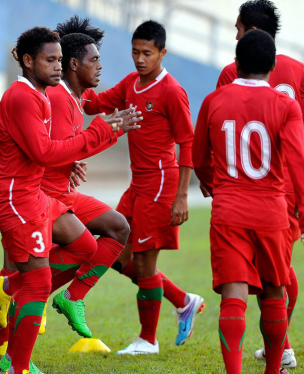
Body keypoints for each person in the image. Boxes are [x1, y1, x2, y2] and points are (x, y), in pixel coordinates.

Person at [0, 17, 139, 370]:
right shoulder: (27, 97)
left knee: (85, 247)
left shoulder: (41, 96)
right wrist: (101, 132)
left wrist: (77, 154)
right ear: (27, 61)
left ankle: (8, 293)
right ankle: (16, 362)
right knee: (37, 280)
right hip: (17, 195)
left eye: (58, 60)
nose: (57, 66)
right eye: (50, 60)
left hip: (34, 194)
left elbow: (50, 149)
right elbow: (43, 152)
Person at [84, 20, 203, 354]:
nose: (139, 59)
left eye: (147, 53)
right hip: (137, 185)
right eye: (135, 52)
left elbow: (187, 142)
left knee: (143, 265)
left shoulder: (172, 91)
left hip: (161, 186)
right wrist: (70, 81)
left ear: (162, 53)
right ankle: (183, 300)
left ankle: (148, 340)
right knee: (114, 252)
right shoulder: (130, 84)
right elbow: (95, 104)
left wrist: (182, 196)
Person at [193, 29, 304, 374]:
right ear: (272, 65)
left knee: (234, 296)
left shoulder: (214, 100)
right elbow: (298, 161)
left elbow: (200, 158)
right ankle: (274, 370)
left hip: (229, 210)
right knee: (274, 293)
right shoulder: (286, 105)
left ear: (236, 63)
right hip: (272, 211)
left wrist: (214, 185)